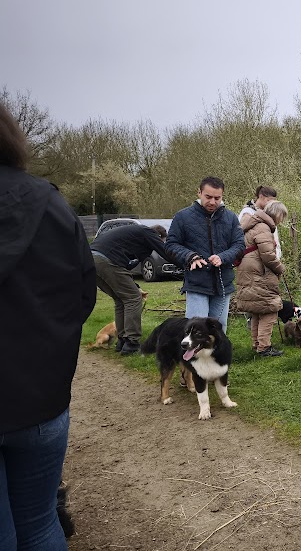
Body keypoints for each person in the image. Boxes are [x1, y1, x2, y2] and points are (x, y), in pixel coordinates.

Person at [0, 103, 97, 549]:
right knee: (40, 523)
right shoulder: (50, 202)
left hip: (39, 400)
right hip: (41, 398)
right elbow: (83, 294)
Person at [166, 176, 245, 333]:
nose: (212, 202)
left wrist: (223, 257)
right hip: (197, 283)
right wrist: (190, 256)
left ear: (222, 196)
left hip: (223, 284)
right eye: (208, 197)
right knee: (196, 331)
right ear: (199, 193)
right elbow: (171, 245)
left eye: (217, 198)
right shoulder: (183, 217)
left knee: (218, 333)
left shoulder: (230, 218)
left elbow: (239, 245)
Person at [91, 224, 171, 355]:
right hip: (105, 259)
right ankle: (132, 343)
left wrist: (136, 287)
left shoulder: (136, 239)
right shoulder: (148, 232)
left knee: (120, 298)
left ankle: (122, 341)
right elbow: (166, 251)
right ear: (158, 236)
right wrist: (185, 264)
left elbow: (125, 269)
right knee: (133, 299)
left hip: (90, 259)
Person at [236, 200, 288, 358]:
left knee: (257, 311)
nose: (281, 221)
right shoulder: (263, 228)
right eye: (282, 217)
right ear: (277, 215)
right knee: (270, 310)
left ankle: (256, 344)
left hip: (248, 272)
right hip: (259, 273)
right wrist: (280, 268)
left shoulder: (253, 224)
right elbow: (268, 256)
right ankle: (264, 347)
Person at [239, 185, 281, 259]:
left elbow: (274, 236)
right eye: (269, 201)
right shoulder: (247, 212)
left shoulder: (270, 213)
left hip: (268, 255)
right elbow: (241, 233)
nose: (271, 204)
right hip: (253, 256)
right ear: (261, 196)